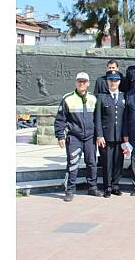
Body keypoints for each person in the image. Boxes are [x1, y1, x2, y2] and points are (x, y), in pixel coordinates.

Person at [54, 72, 101, 202]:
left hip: (90, 138)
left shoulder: (94, 98)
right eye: (79, 81)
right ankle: (70, 190)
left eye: (84, 81)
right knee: (72, 164)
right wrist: (60, 136)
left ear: (88, 83)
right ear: (76, 83)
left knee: (92, 163)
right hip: (74, 137)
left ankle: (92, 187)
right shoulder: (67, 98)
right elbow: (60, 119)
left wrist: (99, 135)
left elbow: (98, 119)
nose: (82, 83)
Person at [94, 70, 126, 198]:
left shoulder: (124, 96)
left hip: (120, 136)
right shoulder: (101, 97)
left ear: (119, 82)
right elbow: (98, 118)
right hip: (106, 137)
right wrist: (99, 135)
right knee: (107, 163)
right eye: (111, 80)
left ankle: (115, 186)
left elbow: (126, 118)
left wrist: (126, 135)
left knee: (119, 162)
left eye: (116, 80)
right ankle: (107, 187)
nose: (113, 83)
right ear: (107, 82)